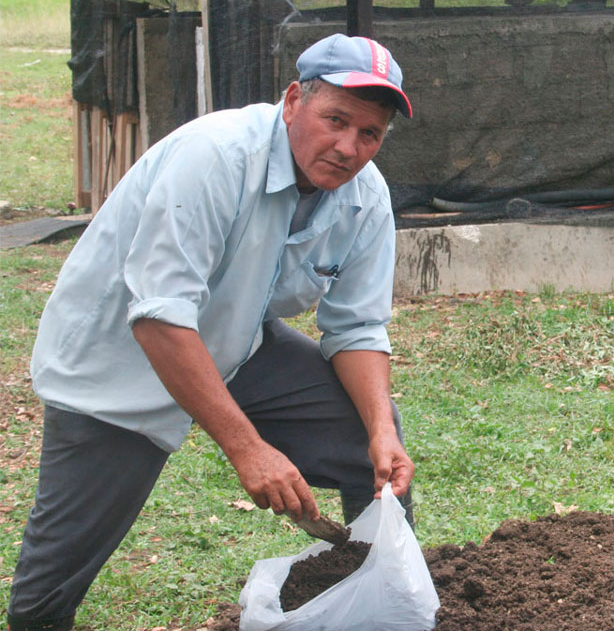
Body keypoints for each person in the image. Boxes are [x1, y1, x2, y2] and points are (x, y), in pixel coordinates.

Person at [7, 33, 414, 631]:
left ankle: (373, 608)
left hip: (236, 345)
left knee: (370, 447)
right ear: (294, 99)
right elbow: (160, 316)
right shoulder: (216, 156)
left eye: (369, 134)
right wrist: (248, 449)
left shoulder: (365, 198)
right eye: (335, 120)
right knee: (49, 590)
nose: (348, 148)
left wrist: (382, 430)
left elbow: (356, 326)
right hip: (118, 364)